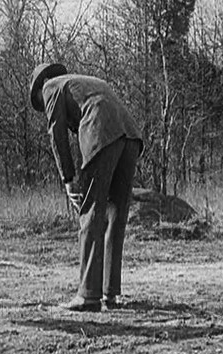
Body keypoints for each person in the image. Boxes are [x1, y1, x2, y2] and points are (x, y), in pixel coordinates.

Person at [29, 63, 144, 312]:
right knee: (115, 215)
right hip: (131, 137)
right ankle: (109, 292)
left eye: (40, 103)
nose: (43, 107)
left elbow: (56, 134)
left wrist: (68, 179)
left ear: (41, 85)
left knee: (91, 213)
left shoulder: (50, 87)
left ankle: (88, 295)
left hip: (102, 134)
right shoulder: (84, 82)